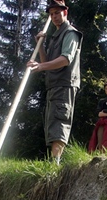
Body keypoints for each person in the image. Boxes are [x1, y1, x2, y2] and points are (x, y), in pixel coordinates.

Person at [27, 0, 83, 165]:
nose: (54, 17)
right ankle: (53, 163)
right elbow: (48, 64)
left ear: (65, 13)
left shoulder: (70, 34)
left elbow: (65, 59)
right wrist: (41, 46)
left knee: (60, 122)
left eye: (57, 13)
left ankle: (55, 165)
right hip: (53, 85)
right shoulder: (54, 37)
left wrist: (40, 65)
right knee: (52, 125)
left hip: (65, 85)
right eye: (51, 14)